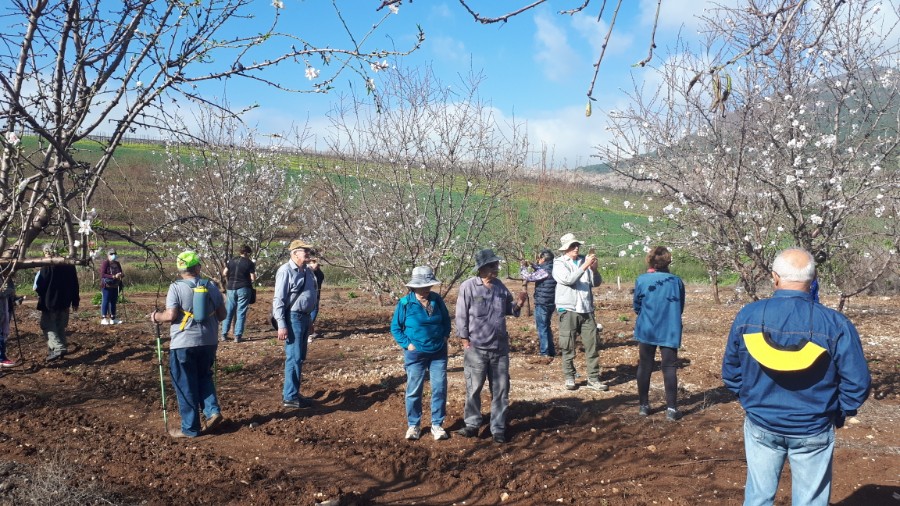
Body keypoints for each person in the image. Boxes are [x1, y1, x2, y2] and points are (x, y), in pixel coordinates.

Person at [722, 248, 870, 506]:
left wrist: (750, 399)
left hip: (761, 423)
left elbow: (731, 373)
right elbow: (857, 383)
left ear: (774, 277)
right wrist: (839, 412)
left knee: (758, 498)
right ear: (813, 280)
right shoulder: (835, 324)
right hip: (814, 427)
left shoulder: (748, 316)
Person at [149, 251, 227, 438]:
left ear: (180, 269)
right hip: (208, 341)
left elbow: (171, 315)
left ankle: (190, 428)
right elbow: (222, 315)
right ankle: (212, 411)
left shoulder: (175, 287)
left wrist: (155, 316)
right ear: (198, 267)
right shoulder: (211, 286)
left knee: (185, 383)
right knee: (204, 376)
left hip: (183, 342)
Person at [455, 248, 526, 444]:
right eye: (493, 265)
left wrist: (519, 303)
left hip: (499, 349)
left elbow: (509, 310)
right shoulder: (468, 287)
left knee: (501, 389)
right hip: (476, 348)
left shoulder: (500, 287)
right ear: (483, 268)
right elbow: (461, 315)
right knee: (474, 387)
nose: (496, 268)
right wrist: (464, 340)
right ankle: (471, 424)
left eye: (496, 265)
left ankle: (498, 428)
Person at [390, 266, 452, 441]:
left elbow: (446, 319)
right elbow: (395, 327)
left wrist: (446, 335)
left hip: (438, 351)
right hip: (415, 354)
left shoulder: (436, 300)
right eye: (422, 287)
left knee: (439, 388)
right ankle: (414, 425)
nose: (425, 290)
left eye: (428, 286)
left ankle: (437, 424)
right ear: (413, 287)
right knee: (414, 389)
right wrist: (407, 345)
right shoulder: (404, 303)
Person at [633, 246, 685, 421]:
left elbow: (637, 306)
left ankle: (643, 406)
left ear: (650, 261)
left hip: (647, 328)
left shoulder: (642, 280)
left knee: (645, 366)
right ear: (668, 261)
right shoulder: (676, 281)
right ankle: (671, 409)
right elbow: (681, 307)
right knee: (669, 367)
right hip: (670, 328)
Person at [552, 233, 606, 391]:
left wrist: (594, 270)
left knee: (593, 344)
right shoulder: (559, 263)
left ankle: (593, 378)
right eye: (572, 246)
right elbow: (568, 280)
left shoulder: (585, 260)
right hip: (568, 309)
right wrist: (584, 266)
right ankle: (569, 376)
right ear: (565, 249)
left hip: (586, 308)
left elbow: (596, 283)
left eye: (577, 245)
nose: (576, 248)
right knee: (567, 344)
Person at [273, 239, 319, 409]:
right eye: (304, 250)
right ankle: (290, 396)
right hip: (293, 318)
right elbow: (279, 299)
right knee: (294, 357)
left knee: (300, 357)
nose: (307, 253)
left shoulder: (307, 271)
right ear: (294, 253)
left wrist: (310, 322)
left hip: (304, 318)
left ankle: (293, 393)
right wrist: (281, 324)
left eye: (308, 250)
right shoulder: (285, 271)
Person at [35, 244, 80, 362]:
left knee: (47, 325)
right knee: (60, 326)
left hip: (50, 302)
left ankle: (58, 348)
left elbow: (40, 284)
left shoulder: (47, 265)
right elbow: (75, 283)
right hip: (65, 302)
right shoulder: (69, 265)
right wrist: (75, 300)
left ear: (47, 252)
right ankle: (60, 347)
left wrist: (39, 293)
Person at [519, 249, 557, 361]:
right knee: (547, 326)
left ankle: (544, 352)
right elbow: (541, 270)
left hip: (542, 302)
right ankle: (551, 351)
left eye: (539, 258)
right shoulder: (553, 268)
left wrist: (523, 267)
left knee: (542, 328)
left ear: (543, 259)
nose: (538, 260)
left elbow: (529, 277)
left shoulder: (544, 271)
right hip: (551, 302)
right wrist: (534, 265)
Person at [221, 244, 256, 343]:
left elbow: (224, 273)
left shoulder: (231, 261)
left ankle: (224, 334)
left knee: (229, 311)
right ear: (248, 253)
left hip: (231, 288)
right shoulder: (249, 263)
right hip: (244, 288)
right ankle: (237, 336)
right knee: (241, 312)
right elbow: (253, 278)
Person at [99, 248, 125, 324]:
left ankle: (113, 318)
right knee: (106, 301)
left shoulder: (117, 263)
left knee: (113, 301)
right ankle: (103, 318)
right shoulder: (105, 263)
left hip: (115, 285)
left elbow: (120, 272)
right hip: (107, 285)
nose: (113, 255)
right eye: (111, 254)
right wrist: (113, 276)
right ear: (108, 255)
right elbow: (102, 274)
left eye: (114, 254)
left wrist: (121, 275)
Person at [306, 251, 325, 343]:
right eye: (314, 261)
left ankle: (310, 330)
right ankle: (308, 332)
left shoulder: (317, 271)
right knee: (311, 312)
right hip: (310, 295)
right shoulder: (308, 270)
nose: (317, 263)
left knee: (314, 311)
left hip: (316, 294)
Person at [0, 274, 17, 367]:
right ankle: (1, 358)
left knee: (2, 333)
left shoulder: (5, 275)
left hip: (3, 309)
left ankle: (2, 357)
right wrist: (9, 291)